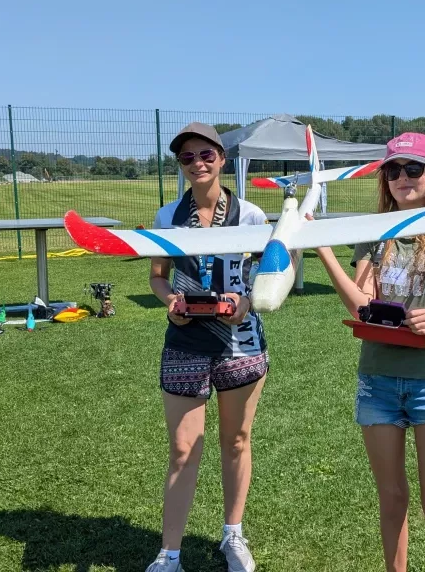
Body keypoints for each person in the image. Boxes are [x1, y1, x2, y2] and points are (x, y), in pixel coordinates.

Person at [309, 132, 425, 572]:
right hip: (378, 382)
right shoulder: (373, 233)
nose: (403, 178)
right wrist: (323, 249)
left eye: (413, 168)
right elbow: (360, 306)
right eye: (393, 169)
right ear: (384, 178)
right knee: (391, 497)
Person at [146, 123, 269, 572]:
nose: (197, 164)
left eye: (205, 155)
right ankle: (169, 554)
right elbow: (158, 275)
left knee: (236, 440)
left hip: (240, 342)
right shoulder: (166, 216)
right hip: (185, 343)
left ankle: (232, 535)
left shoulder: (251, 215)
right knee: (182, 448)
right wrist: (170, 302)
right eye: (186, 158)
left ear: (221, 157)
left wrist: (247, 300)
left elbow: (271, 271)